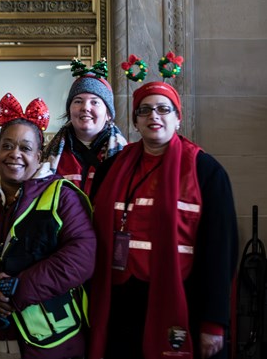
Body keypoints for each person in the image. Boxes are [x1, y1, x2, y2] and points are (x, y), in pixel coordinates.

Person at [0, 92, 96, 359]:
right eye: (7, 146)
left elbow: (81, 258)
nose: (15, 155)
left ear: (39, 154)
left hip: (49, 344)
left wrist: (18, 289)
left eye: (25, 148)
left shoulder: (63, 196)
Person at [88, 81, 239, 359]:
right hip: (120, 301)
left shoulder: (206, 171)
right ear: (135, 121)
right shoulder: (110, 168)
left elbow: (221, 251)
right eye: (144, 111)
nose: (153, 116)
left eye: (163, 109)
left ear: (178, 118)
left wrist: (214, 322)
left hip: (182, 297)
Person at [42, 59, 126, 194]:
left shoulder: (125, 155)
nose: (85, 107)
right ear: (69, 110)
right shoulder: (49, 153)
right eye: (78, 101)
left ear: (109, 114)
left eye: (95, 102)